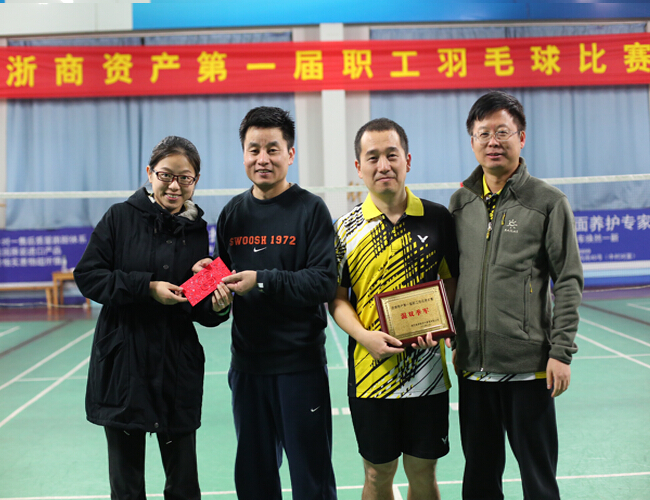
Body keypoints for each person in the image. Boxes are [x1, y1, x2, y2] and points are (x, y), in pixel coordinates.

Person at [74, 136, 232, 500]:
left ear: (196, 180)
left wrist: (218, 306)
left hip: (176, 367)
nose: (174, 185)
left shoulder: (197, 229)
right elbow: (88, 276)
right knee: (127, 487)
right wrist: (147, 287)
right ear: (150, 173)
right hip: (124, 366)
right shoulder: (119, 217)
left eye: (185, 178)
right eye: (166, 175)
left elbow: (194, 303)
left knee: (184, 485)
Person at [193, 106, 338, 500]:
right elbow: (217, 290)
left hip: (300, 367)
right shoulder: (232, 214)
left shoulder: (311, 210)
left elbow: (324, 282)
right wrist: (207, 292)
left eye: (272, 149)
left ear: (290, 154)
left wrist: (261, 280)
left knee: (311, 480)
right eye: (253, 149)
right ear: (243, 154)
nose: (262, 159)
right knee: (254, 480)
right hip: (248, 368)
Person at [449, 90, 584, 500]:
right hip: (474, 370)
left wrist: (561, 352)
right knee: (479, 479)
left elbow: (568, 279)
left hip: (529, 370)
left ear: (521, 138)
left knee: (538, 480)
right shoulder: (461, 202)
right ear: (472, 141)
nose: (493, 141)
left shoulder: (548, 202)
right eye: (483, 133)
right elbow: (453, 277)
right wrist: (453, 334)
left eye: (502, 132)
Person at [328, 118, 459, 500]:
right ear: (359, 167)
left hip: (428, 374)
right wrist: (364, 336)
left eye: (392, 155)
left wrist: (443, 323)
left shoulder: (438, 218)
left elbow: (451, 281)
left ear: (408, 160)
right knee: (377, 474)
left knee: (423, 471)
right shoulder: (345, 228)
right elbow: (336, 298)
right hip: (371, 376)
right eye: (373, 157)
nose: (383, 165)